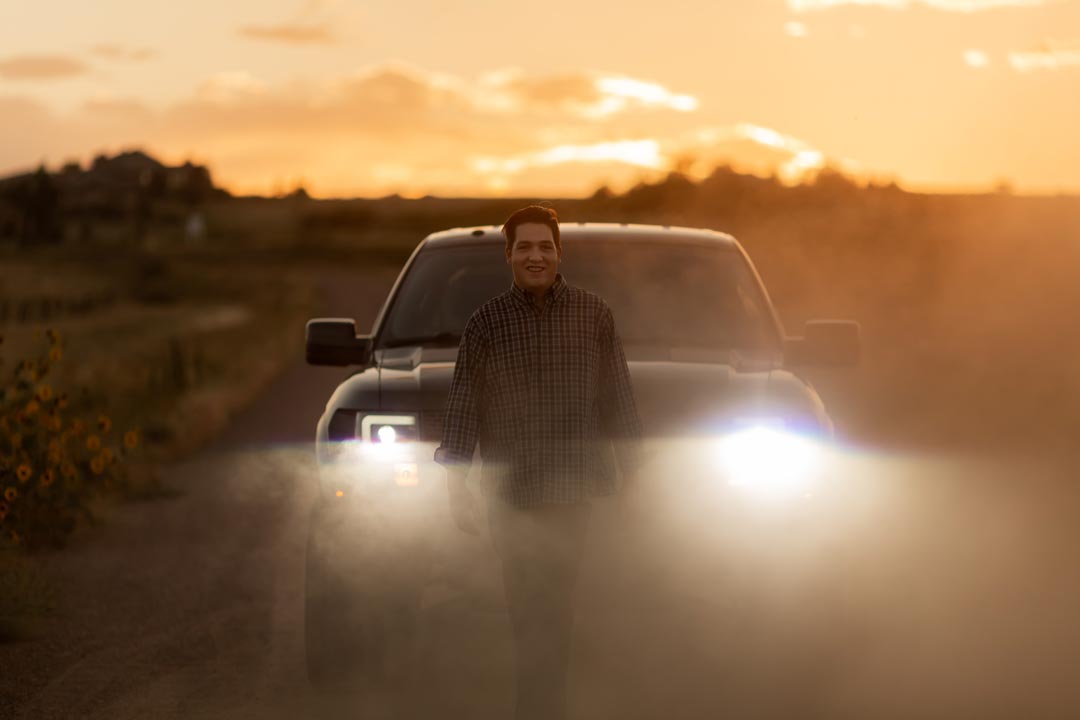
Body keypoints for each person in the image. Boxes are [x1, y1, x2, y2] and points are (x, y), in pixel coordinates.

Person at [433, 204, 646, 720]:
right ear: (508, 255)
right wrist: (455, 486)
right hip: (513, 496)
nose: (536, 256)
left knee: (556, 610)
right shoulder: (486, 323)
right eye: (524, 247)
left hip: (575, 493)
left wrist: (635, 481)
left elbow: (619, 402)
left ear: (559, 253)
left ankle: (545, 705)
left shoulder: (595, 314)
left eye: (545, 246)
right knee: (530, 614)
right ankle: (541, 705)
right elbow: (464, 405)